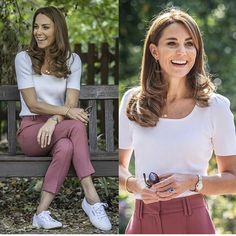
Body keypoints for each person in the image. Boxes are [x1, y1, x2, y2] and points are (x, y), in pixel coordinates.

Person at [119, 7, 236, 234]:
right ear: (154, 51)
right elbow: (118, 166)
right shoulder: (133, 101)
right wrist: (135, 184)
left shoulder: (215, 107)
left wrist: (193, 182)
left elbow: (233, 179)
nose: (182, 51)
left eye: (189, 43)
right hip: (142, 220)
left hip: (192, 220)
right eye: (172, 43)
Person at [15, 6, 112, 231]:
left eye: (45, 27)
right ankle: (92, 198)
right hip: (31, 131)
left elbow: (71, 102)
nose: (38, 32)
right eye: (36, 27)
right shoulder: (24, 58)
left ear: (58, 30)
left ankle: (41, 213)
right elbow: (32, 103)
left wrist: (54, 120)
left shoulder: (72, 60)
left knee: (67, 146)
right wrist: (64, 115)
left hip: (57, 127)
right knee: (76, 126)